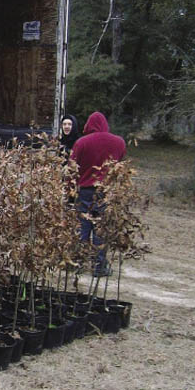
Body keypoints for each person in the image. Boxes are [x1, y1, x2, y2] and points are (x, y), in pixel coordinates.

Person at [70, 111, 126, 277]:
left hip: (86, 191)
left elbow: (72, 168)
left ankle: (78, 263)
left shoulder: (81, 143)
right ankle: (99, 266)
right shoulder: (119, 142)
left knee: (83, 227)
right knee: (101, 229)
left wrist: (70, 190)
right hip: (106, 191)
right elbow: (120, 166)